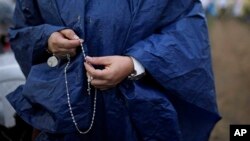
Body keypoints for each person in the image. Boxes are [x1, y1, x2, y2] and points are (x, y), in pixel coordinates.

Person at [7, 0, 221, 141]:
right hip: (62, 115)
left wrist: (135, 63)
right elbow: (22, 29)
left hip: (138, 118)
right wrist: (47, 39)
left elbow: (186, 32)